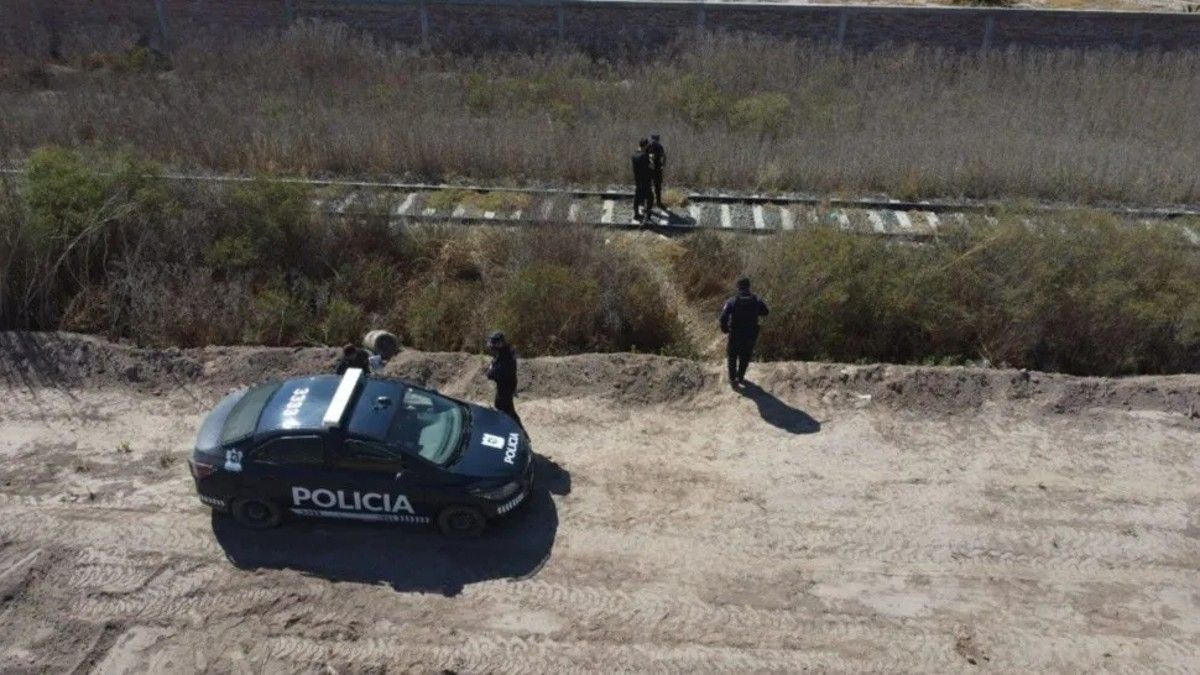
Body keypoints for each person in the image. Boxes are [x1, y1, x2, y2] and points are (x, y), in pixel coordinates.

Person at [719, 277, 770, 387]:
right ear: (749, 286)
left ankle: (733, 380)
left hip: (735, 334)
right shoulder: (757, 300)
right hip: (750, 335)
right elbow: (766, 312)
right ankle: (741, 377)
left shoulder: (732, 301)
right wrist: (755, 312)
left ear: (738, 287)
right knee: (745, 356)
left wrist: (725, 329)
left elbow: (723, 317)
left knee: (732, 356)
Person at [486, 331, 524, 430]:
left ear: (500, 343)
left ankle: (519, 432)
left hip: (505, 387)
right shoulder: (508, 351)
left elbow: (490, 375)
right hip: (510, 384)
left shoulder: (504, 359)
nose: (491, 345)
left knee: (504, 409)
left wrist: (491, 365)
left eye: (493, 342)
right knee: (507, 409)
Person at [631, 138, 653, 224]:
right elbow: (650, 167)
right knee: (650, 198)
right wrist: (651, 160)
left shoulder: (634, 155)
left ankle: (636, 214)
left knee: (637, 197)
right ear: (645, 145)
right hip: (645, 181)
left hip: (637, 179)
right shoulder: (644, 156)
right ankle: (648, 214)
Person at [647, 134, 666, 210]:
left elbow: (645, 156)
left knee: (648, 186)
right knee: (657, 187)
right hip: (657, 169)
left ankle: (648, 202)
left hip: (649, 169)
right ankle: (658, 202)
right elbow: (664, 157)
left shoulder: (648, 146)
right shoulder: (660, 146)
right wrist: (663, 165)